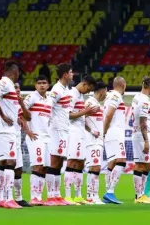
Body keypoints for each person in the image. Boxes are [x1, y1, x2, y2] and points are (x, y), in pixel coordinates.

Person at [0, 60, 22, 209]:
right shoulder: (5, 82)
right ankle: (9, 198)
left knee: (3, 162)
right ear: (16, 72)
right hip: (5, 130)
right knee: (11, 162)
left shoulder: (9, 86)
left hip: (4, 130)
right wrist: (3, 115)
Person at [64, 75, 97, 205]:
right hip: (72, 132)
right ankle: (67, 196)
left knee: (80, 163)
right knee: (72, 162)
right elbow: (68, 115)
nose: (89, 91)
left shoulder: (80, 96)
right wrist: (85, 112)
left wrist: (90, 129)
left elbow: (79, 117)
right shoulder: (71, 94)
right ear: (84, 84)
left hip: (81, 132)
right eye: (89, 88)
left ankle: (77, 196)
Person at [46, 63, 75, 206]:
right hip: (56, 130)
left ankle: (57, 195)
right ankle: (51, 195)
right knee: (54, 161)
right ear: (65, 74)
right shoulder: (57, 89)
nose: (73, 74)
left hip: (64, 130)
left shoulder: (67, 90)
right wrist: (51, 123)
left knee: (59, 162)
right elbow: (48, 106)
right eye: (71, 72)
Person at [23, 75, 51, 206]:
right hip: (35, 137)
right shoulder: (31, 97)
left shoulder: (49, 100)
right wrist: (27, 131)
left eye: (44, 83)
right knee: (37, 165)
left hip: (46, 138)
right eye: (39, 83)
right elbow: (21, 112)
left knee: (44, 167)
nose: (41, 85)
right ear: (35, 85)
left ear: (48, 85)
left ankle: (39, 196)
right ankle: (34, 196)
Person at [102, 76, 127, 204]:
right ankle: (110, 192)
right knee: (122, 161)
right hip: (114, 133)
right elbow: (109, 114)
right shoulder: (116, 96)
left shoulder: (109, 96)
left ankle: (108, 191)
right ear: (124, 85)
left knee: (112, 162)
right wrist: (104, 130)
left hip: (111, 133)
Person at [131, 76, 150, 204]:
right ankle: (138, 196)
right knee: (140, 165)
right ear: (149, 86)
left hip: (142, 134)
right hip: (141, 135)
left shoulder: (137, 97)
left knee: (148, 164)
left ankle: (142, 194)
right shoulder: (145, 101)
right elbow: (142, 122)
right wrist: (146, 140)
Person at [84, 81, 107, 204]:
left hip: (98, 140)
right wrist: (91, 130)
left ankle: (90, 195)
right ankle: (93, 196)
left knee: (95, 166)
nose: (106, 94)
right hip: (92, 140)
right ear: (102, 91)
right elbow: (81, 118)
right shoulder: (90, 102)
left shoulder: (97, 104)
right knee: (96, 166)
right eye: (106, 92)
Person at [12, 82, 33, 207]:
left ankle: (18, 197)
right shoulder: (4, 103)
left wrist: (28, 131)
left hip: (17, 139)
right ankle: (3, 196)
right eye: (15, 88)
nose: (17, 90)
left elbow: (26, 118)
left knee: (18, 169)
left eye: (18, 88)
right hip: (6, 138)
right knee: (7, 166)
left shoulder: (19, 105)